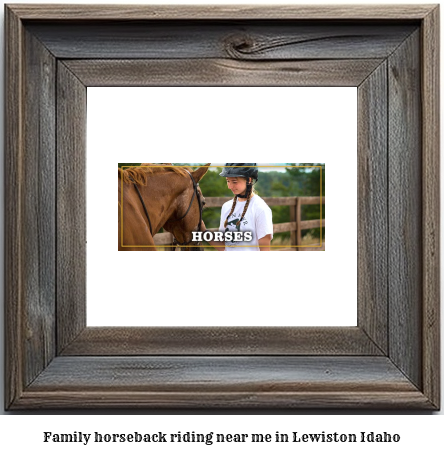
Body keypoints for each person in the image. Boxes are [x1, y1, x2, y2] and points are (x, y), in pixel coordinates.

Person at [201, 163, 273, 251]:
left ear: (249, 180)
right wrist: (204, 231)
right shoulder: (226, 207)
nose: (230, 186)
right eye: (228, 181)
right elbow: (224, 247)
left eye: (234, 182)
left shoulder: (260, 209)